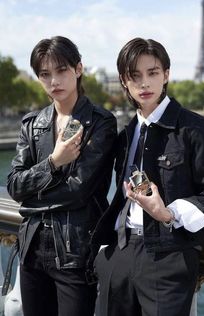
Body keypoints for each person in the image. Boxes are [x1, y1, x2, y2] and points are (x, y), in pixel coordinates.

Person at [91, 37, 204, 316]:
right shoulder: (126, 135)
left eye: (152, 73)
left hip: (167, 257)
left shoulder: (195, 129)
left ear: (166, 75)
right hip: (119, 253)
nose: (144, 83)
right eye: (135, 76)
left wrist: (167, 213)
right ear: (124, 81)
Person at [6, 36, 117, 316]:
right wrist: (54, 162)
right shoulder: (33, 124)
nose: (54, 80)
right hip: (31, 251)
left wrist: (30, 203)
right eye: (45, 74)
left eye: (61, 70)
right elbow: (14, 185)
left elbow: (78, 190)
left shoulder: (100, 123)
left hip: (74, 252)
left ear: (78, 69)